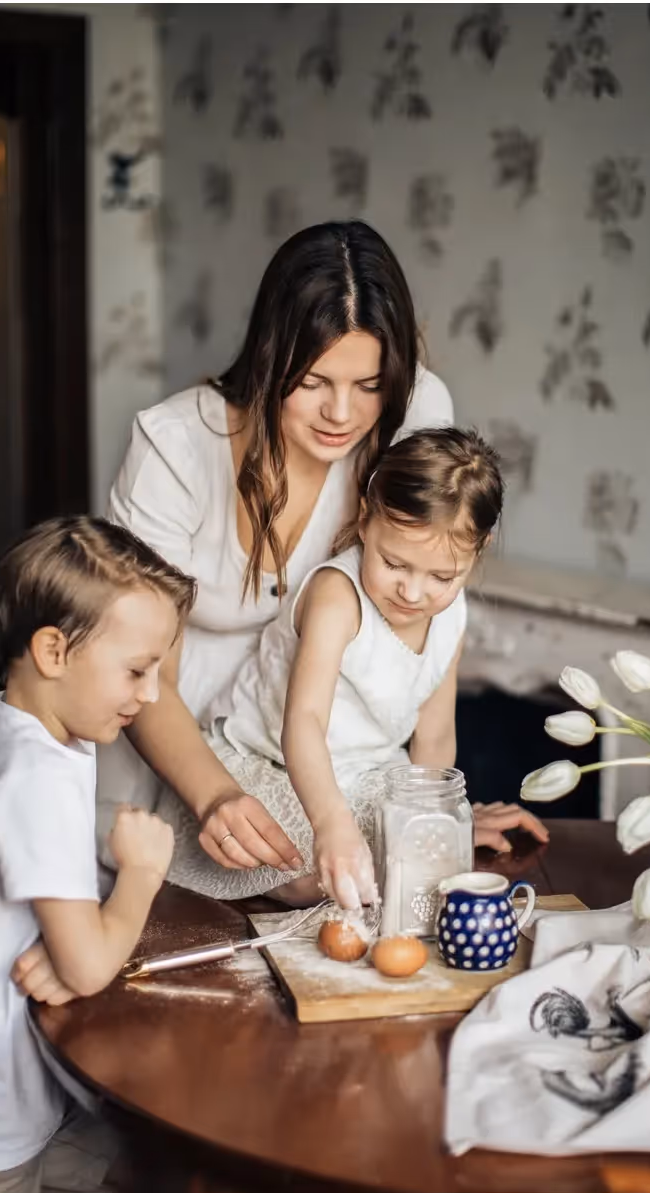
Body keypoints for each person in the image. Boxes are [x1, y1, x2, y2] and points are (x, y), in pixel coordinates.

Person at [95, 219, 546, 882]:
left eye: (368, 386)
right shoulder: (174, 448)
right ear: (271, 358)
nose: (343, 413)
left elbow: (420, 593)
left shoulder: (411, 409)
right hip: (168, 752)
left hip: (323, 775)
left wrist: (424, 817)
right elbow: (137, 668)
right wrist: (216, 793)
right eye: (313, 382)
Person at [0, 516, 191, 1193]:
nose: (152, 695)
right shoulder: (30, 776)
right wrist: (141, 875)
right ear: (53, 652)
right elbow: (89, 966)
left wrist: (77, 934)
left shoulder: (38, 733)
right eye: (136, 670)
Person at [162, 428, 549, 908]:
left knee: (421, 856)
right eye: (394, 563)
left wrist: (435, 821)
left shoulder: (453, 613)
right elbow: (302, 725)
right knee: (323, 868)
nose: (412, 592)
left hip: (368, 774)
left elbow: (433, 734)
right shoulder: (337, 597)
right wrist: (331, 826)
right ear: (366, 521)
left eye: (441, 577)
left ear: (479, 549)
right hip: (274, 764)